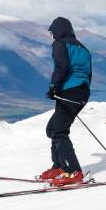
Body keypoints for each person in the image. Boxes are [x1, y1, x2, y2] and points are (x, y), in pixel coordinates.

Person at [39, 17, 92, 187]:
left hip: (69, 91)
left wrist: (54, 87)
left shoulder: (60, 44)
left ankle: (73, 171)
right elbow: (87, 72)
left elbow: (61, 67)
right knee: (52, 129)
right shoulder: (82, 48)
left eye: (52, 33)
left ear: (58, 31)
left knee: (60, 131)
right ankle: (60, 166)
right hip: (82, 91)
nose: (51, 36)